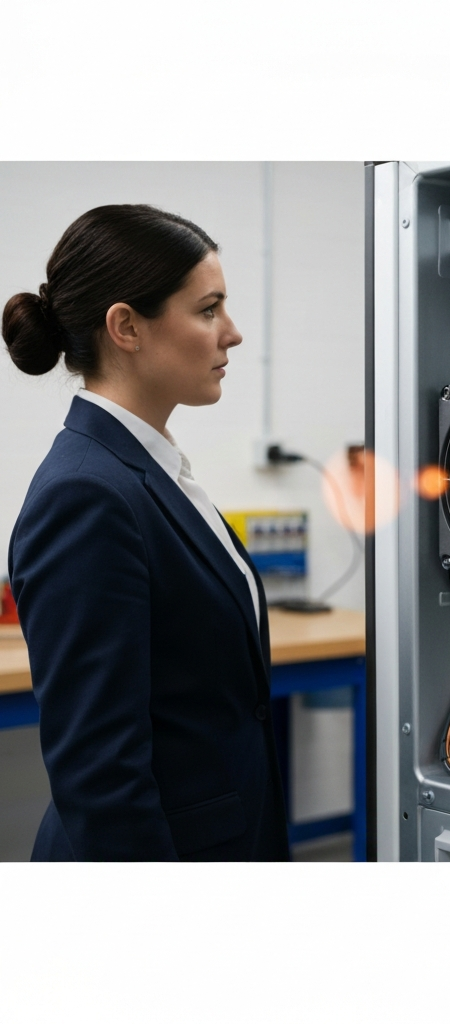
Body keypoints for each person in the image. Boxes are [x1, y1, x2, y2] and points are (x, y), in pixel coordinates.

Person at [3, 205, 289, 861]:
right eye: (209, 309)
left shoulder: (148, 471)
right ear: (127, 327)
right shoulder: (87, 494)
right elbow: (100, 773)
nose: (235, 334)